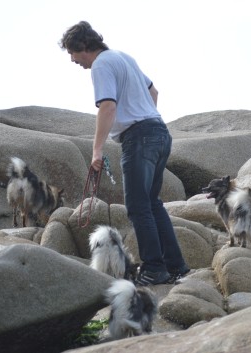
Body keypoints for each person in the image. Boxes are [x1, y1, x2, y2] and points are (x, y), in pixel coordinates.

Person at [59, 21, 189, 285]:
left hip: (139, 139)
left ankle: (154, 268)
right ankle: (176, 267)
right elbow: (153, 92)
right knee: (152, 203)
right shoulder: (123, 57)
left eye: (72, 53)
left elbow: (107, 107)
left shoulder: (101, 65)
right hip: (159, 133)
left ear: (83, 46)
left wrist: (96, 151)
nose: (72, 60)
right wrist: (144, 116)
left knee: (139, 207)